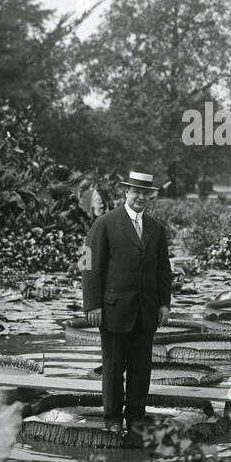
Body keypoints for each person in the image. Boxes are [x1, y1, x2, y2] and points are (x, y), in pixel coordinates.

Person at [81, 169, 173, 438]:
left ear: (151, 196)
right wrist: (92, 305)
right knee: (112, 368)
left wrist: (164, 304)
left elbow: (163, 271)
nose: (140, 197)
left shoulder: (156, 229)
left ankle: (135, 417)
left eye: (146, 193)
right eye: (136, 192)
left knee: (140, 368)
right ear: (126, 192)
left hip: (146, 311)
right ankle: (111, 418)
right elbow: (88, 265)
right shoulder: (105, 223)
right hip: (112, 310)